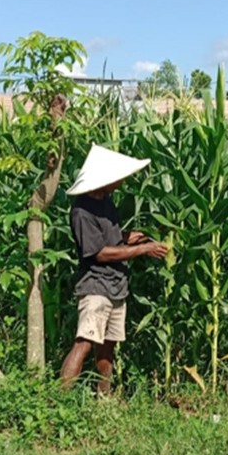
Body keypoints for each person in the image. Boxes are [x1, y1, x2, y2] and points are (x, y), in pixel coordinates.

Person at [59, 144, 169, 394]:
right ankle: (58, 402)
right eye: (117, 178)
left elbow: (108, 239)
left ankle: (104, 399)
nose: (121, 182)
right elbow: (99, 252)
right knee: (85, 342)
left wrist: (128, 237)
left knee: (107, 348)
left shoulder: (105, 202)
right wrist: (143, 249)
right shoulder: (81, 211)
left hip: (116, 285)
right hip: (96, 286)